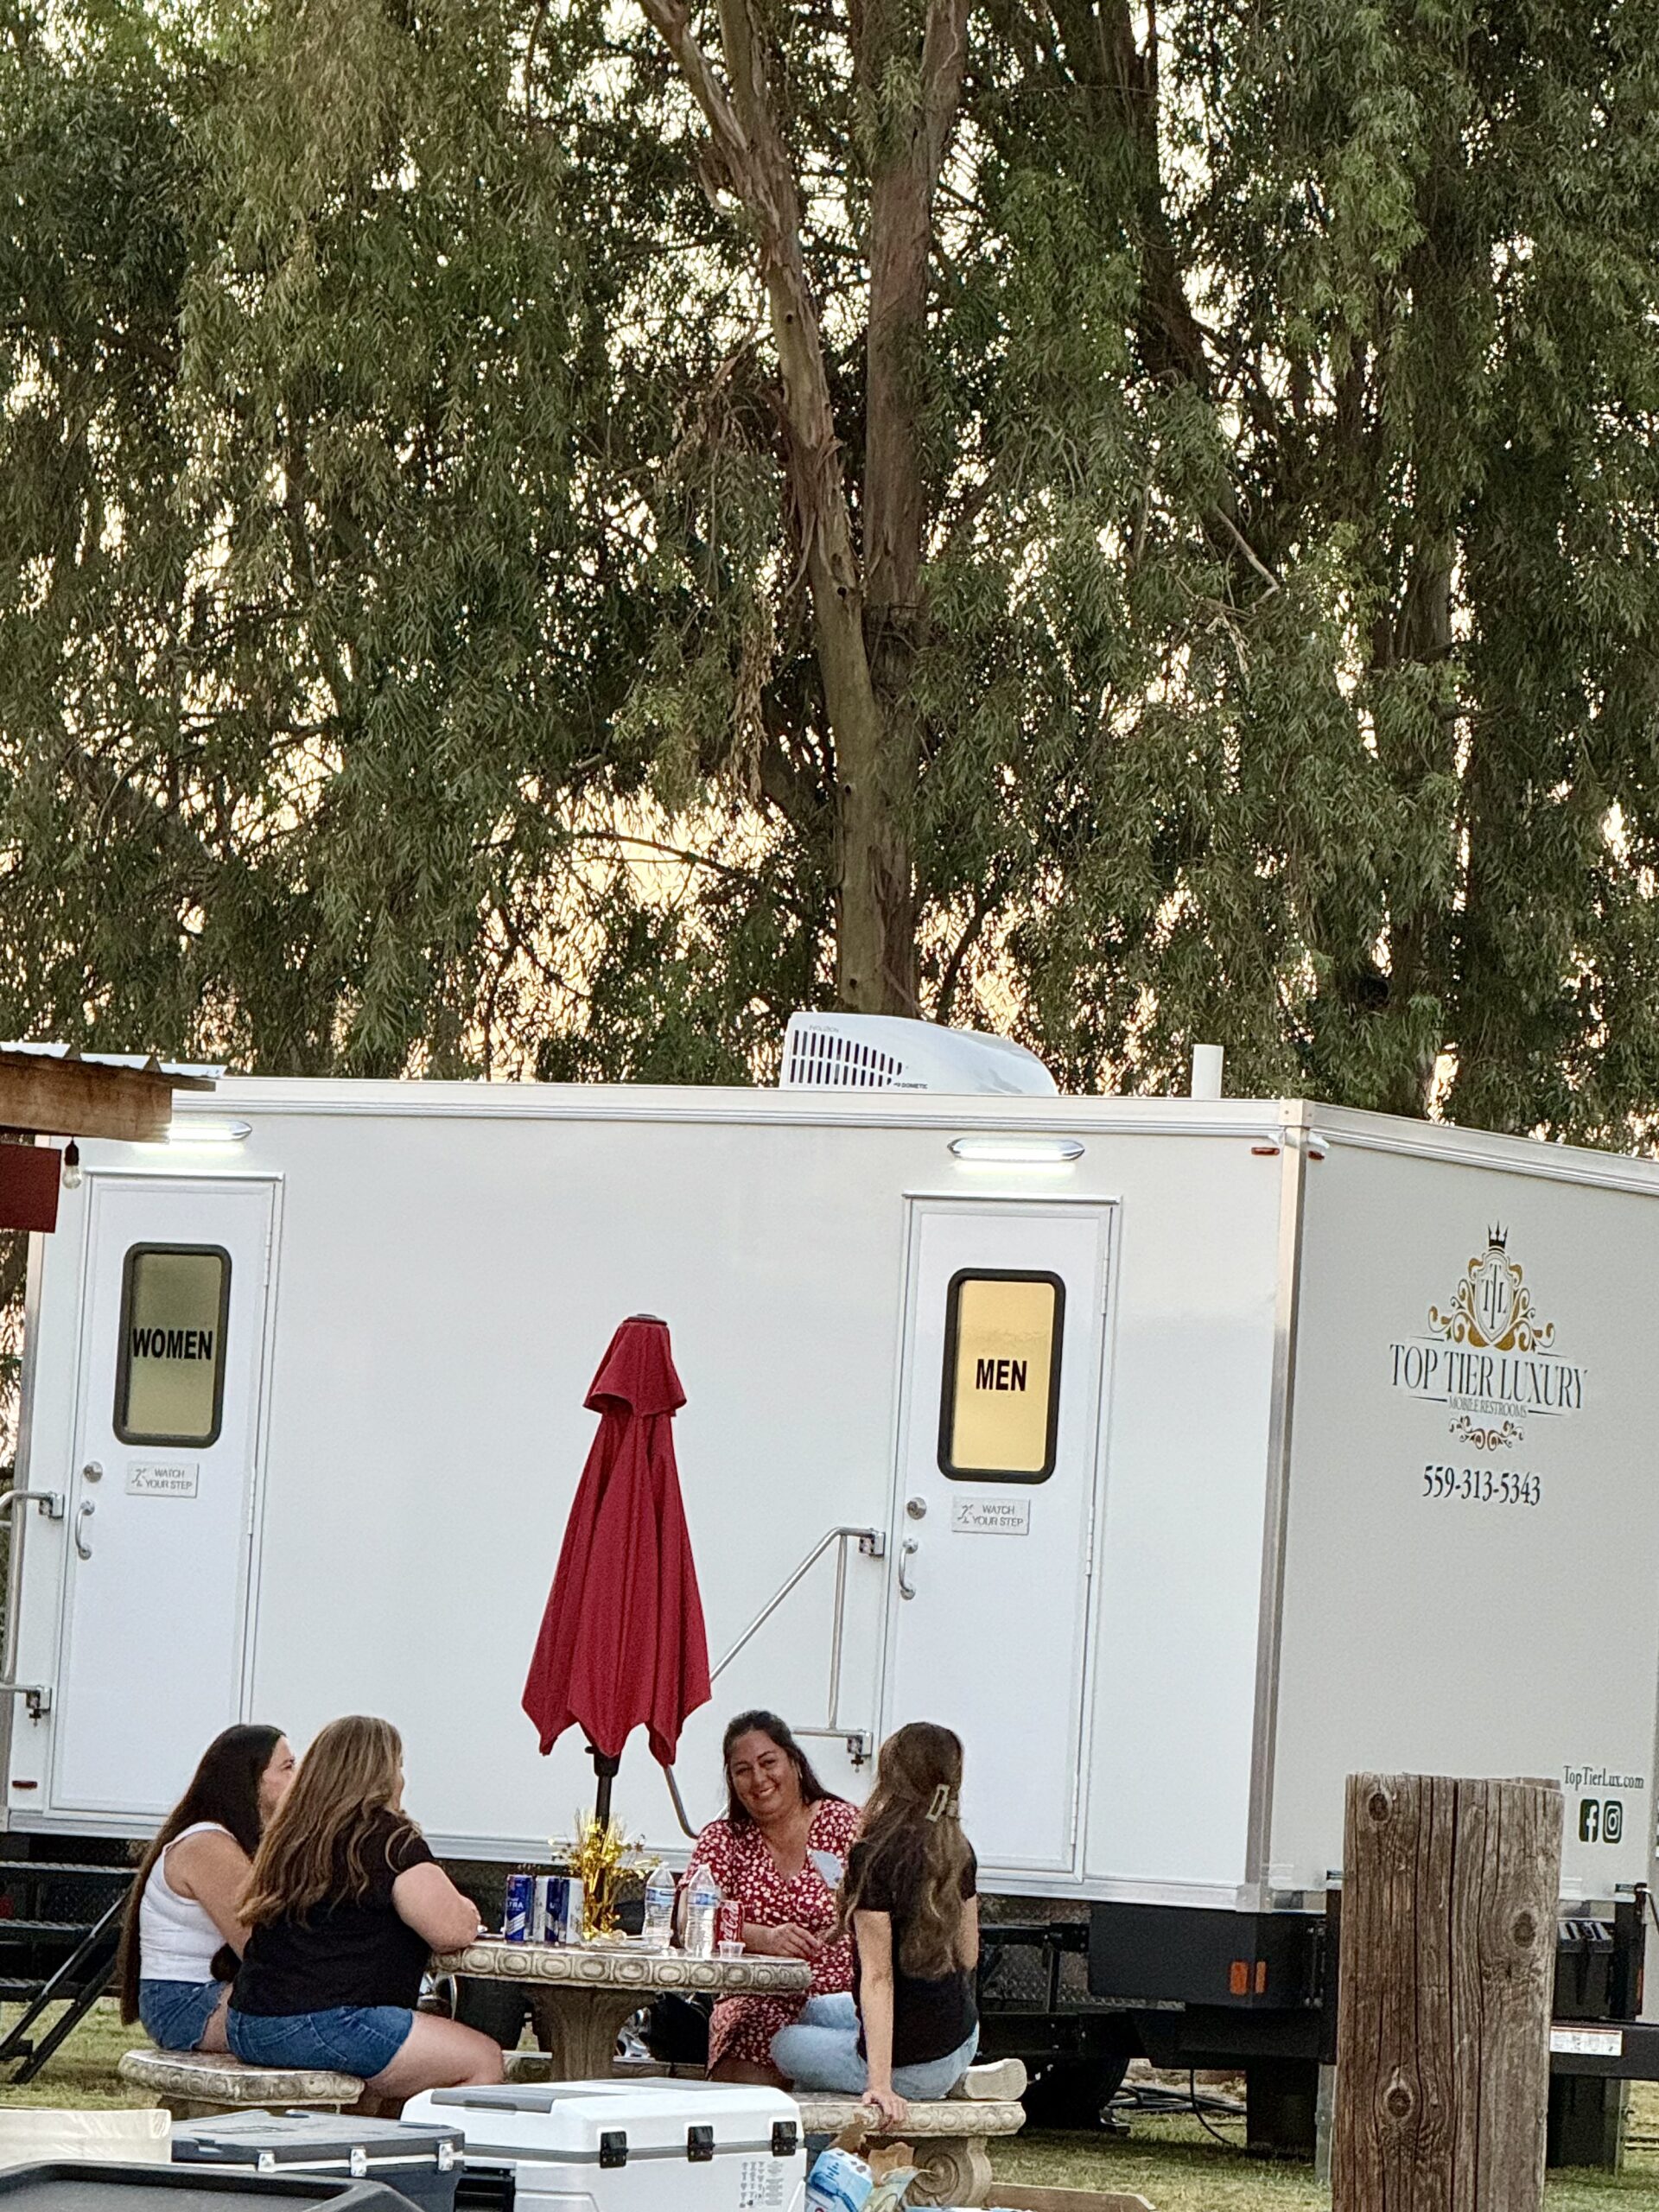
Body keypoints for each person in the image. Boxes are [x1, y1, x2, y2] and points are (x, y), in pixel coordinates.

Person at [228, 1715, 503, 2104]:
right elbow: (450, 1930)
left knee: (403, 2052)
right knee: (483, 2060)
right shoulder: (389, 1841)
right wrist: (468, 1910)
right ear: (381, 1775)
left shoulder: (292, 1834)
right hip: (328, 2020)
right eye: (399, 1768)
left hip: (249, 2022)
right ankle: (419, 2146)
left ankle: (372, 2140)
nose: (402, 1781)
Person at [771, 1721, 979, 2124]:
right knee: (812, 2011)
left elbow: (879, 1978)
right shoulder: (958, 1849)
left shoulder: (875, 1854)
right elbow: (968, 1954)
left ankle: (822, 2149)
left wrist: (880, 2084)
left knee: (785, 2043)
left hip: (913, 2067)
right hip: (962, 2040)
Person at [687, 1710, 860, 2083]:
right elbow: (688, 1917)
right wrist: (763, 1937)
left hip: (842, 2000)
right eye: (743, 1770)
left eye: (768, 1763)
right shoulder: (725, 1839)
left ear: (794, 1762)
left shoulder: (845, 1825)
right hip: (756, 1997)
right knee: (750, 2037)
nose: (758, 1779)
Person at [117, 1724, 297, 2054]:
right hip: (187, 2003)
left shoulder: (234, 1841)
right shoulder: (207, 1845)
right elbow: (262, 1947)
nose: (299, 1780)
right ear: (250, 1779)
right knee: (327, 2018)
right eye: (288, 1767)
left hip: (214, 1993)